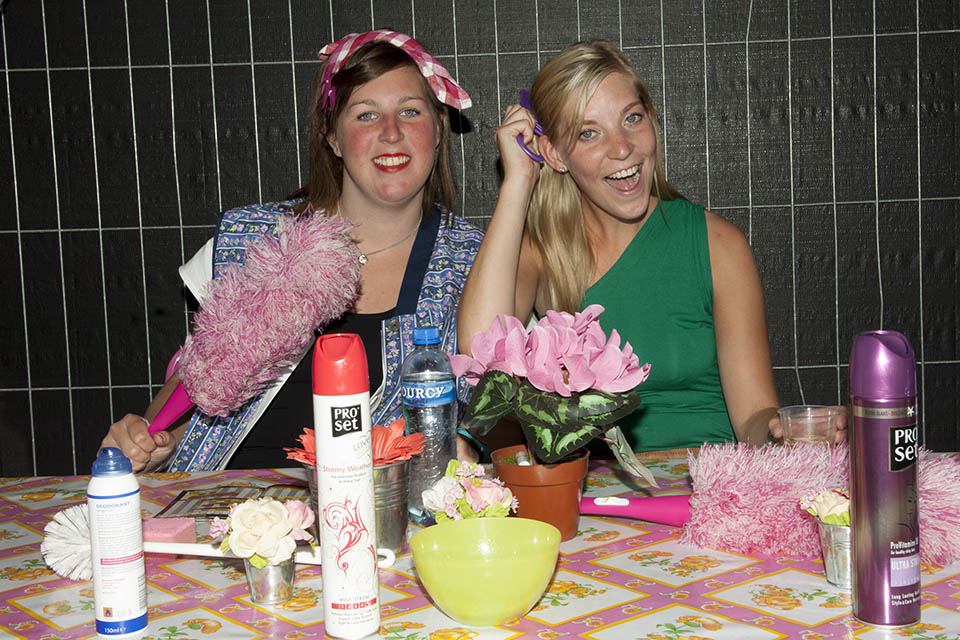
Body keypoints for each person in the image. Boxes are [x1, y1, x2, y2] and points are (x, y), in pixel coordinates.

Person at [101, 30, 483, 472]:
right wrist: (151, 442)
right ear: (332, 137)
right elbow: (199, 385)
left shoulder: (475, 263)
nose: (391, 133)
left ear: (438, 128)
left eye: (410, 111)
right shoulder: (252, 241)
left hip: (379, 506)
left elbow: (499, 420)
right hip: (227, 503)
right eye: (365, 115)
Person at [458, 40, 802, 453]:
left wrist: (788, 433)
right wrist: (518, 181)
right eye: (589, 133)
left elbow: (754, 416)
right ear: (555, 154)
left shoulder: (718, 244)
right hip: (591, 490)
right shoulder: (544, 251)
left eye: (632, 118)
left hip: (708, 479)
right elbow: (479, 346)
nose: (622, 148)